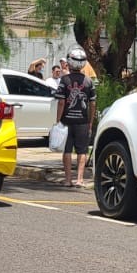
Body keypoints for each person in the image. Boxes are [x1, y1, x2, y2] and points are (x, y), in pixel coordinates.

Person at [53, 47, 96, 188]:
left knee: (67, 150)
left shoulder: (64, 80)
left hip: (66, 121)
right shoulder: (89, 81)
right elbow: (93, 103)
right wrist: (90, 121)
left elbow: (61, 102)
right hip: (82, 121)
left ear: (70, 62)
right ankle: (80, 179)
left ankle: (68, 180)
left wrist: (58, 120)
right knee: (82, 150)